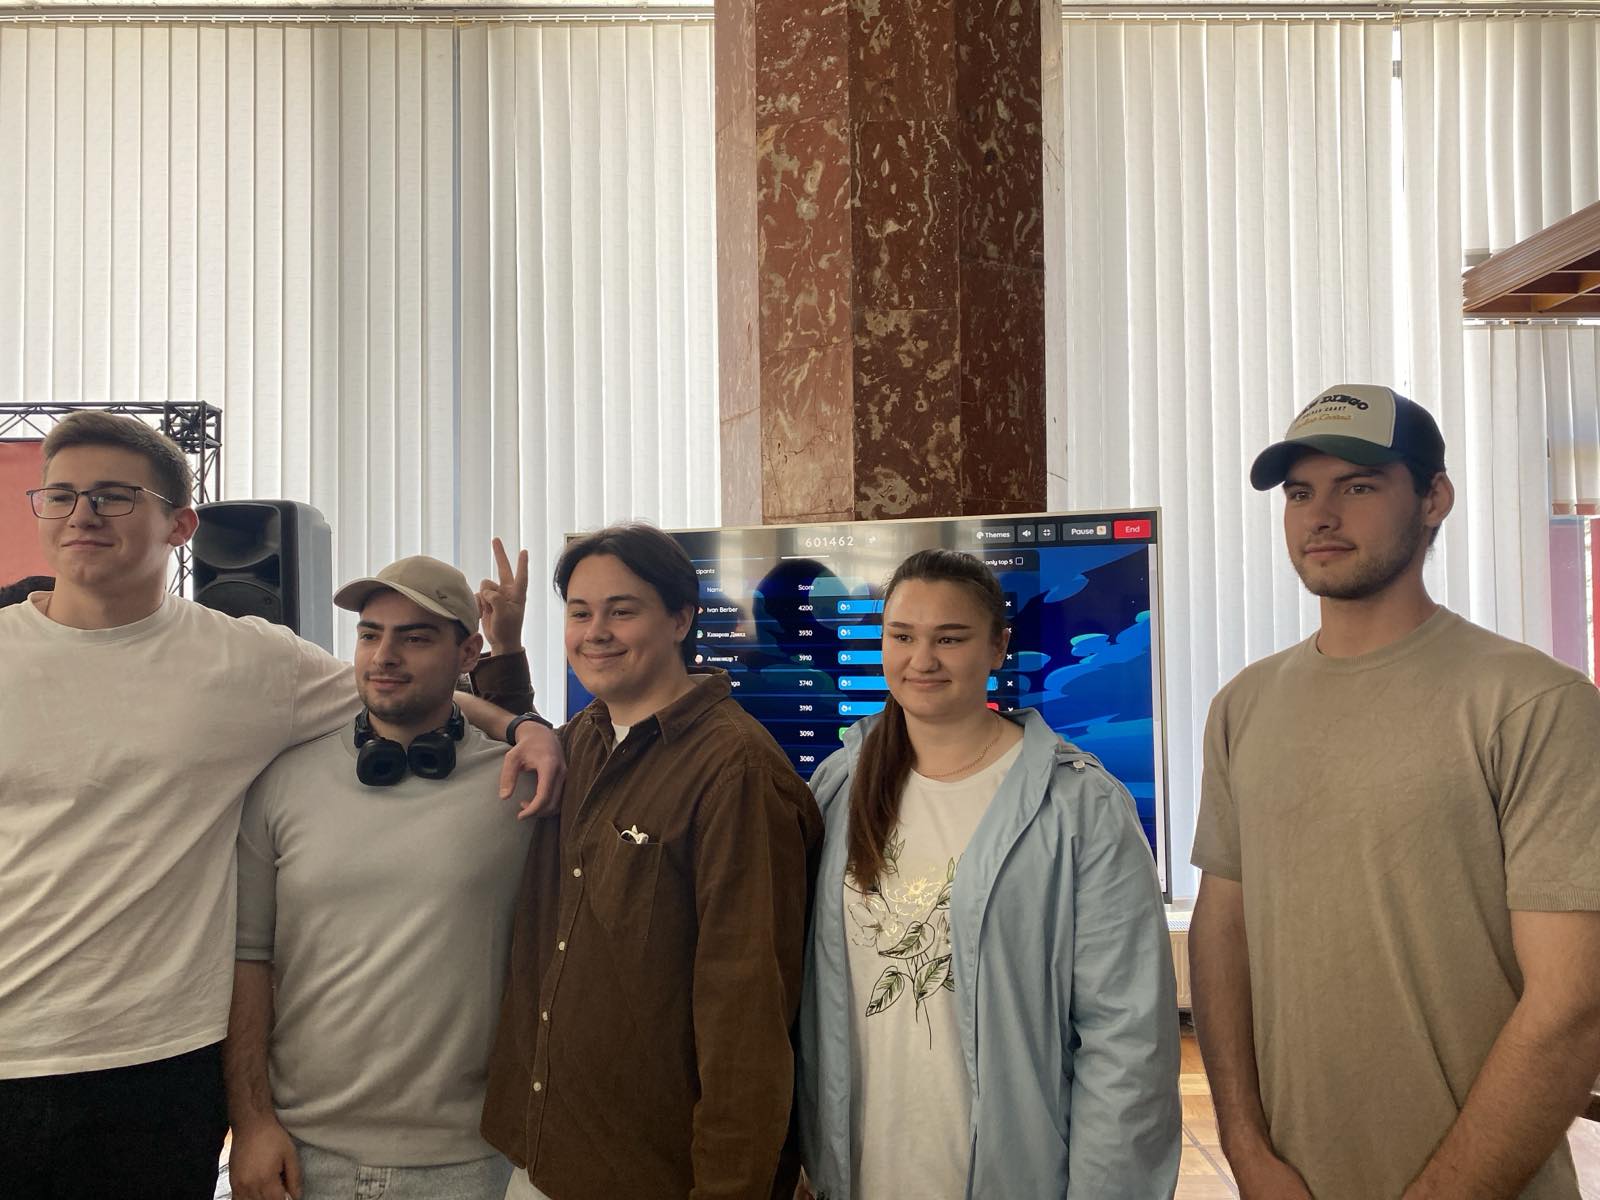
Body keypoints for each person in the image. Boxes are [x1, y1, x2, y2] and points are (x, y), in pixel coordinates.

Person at [0, 410, 560, 1200]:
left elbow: (400, 694)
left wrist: (522, 723)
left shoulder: (250, 662)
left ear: (181, 526)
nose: (82, 514)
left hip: (162, 1066)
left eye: (113, 496)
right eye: (60, 495)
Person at [1190, 384, 1600, 1200]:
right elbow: (1221, 936)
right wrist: (1245, 1148)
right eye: (1299, 493)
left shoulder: (1532, 702)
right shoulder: (1244, 706)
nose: (1320, 516)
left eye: (1358, 486)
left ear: (1434, 499)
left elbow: (1573, 1005)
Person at [795, 548, 1180, 1200]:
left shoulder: (1079, 804)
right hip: (860, 1170)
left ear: (998, 647)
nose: (922, 660)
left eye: (950, 639)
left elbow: (1127, 1037)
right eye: (902, 637)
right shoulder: (838, 785)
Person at [481, 522, 824, 1200]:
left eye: (622, 611)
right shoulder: (583, 740)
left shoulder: (736, 774)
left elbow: (747, 1018)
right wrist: (506, 652)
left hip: (653, 1175)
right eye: (580, 613)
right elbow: (519, 737)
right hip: (543, 1155)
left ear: (680, 619)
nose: (596, 632)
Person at [225, 555, 538, 1200]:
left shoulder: (522, 785)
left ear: (467, 653)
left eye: (415, 638)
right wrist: (251, 1122)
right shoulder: (282, 781)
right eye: (370, 634)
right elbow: (246, 962)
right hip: (301, 1152)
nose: (384, 656)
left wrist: (521, 710)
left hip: (475, 1158)